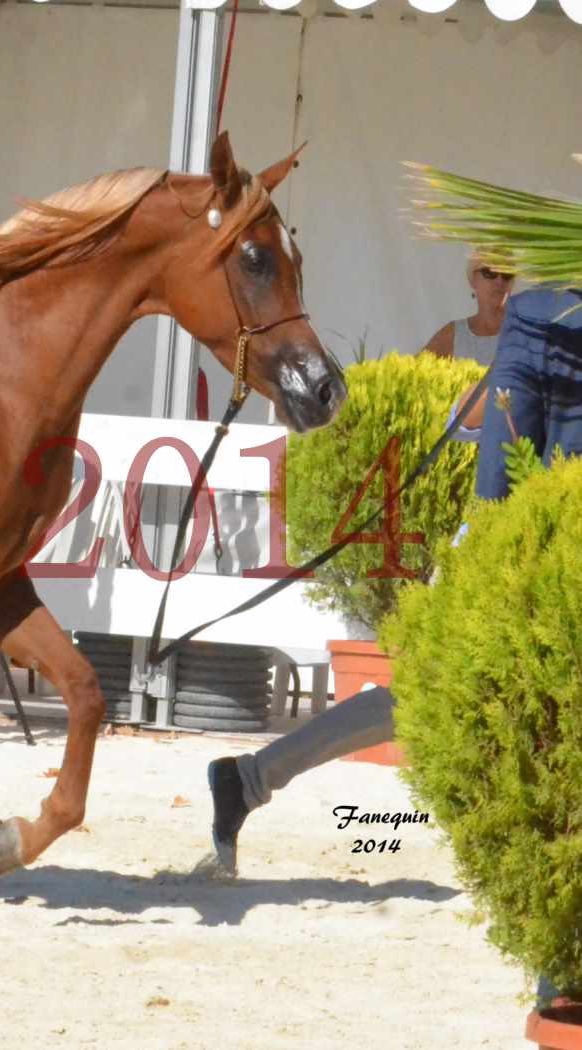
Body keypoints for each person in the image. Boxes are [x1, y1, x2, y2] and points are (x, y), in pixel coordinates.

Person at [205, 282, 582, 874]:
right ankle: (249, 779)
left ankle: (249, 780)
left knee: (418, 704)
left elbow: (465, 416)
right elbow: (468, 417)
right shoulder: (549, 332)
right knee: (422, 702)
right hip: (513, 560)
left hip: (504, 549)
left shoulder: (537, 324)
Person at [420, 254, 513, 365]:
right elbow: (414, 373)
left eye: (507, 274)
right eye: (490, 272)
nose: (500, 281)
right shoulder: (455, 334)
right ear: (473, 280)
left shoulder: (527, 331)